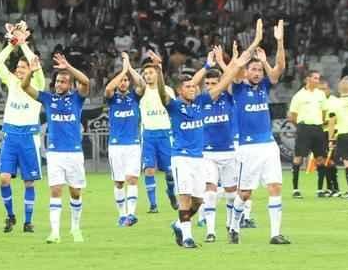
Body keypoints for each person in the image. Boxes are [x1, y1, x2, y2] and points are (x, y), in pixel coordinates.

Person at [155, 45, 249, 248]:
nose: (193, 88)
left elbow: (224, 83)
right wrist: (159, 72)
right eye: (188, 87)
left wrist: (235, 66)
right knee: (185, 197)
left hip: (199, 158)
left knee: (199, 201)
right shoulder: (174, 106)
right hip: (181, 158)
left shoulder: (201, 102)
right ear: (180, 91)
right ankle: (188, 238)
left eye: (194, 86)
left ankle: (179, 225)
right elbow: (162, 93)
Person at [229, 19, 290, 245]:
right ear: (246, 72)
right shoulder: (237, 86)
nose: (257, 73)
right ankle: (234, 226)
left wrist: (279, 42)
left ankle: (275, 234)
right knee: (244, 193)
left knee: (275, 186)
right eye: (253, 69)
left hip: (268, 145)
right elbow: (235, 70)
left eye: (259, 70)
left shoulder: (264, 85)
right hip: (248, 148)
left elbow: (279, 71)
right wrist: (253, 44)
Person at [23, 52, 90, 243]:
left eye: (63, 82)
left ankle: (75, 228)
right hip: (54, 153)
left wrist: (68, 67)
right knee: (55, 190)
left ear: (69, 85)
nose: (59, 84)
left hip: (74, 153)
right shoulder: (47, 99)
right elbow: (25, 86)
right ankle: (55, 232)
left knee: (75, 192)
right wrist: (32, 71)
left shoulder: (77, 99)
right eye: (58, 81)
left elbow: (85, 82)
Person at [0, 27, 44, 233]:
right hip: (10, 134)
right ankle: (10, 215)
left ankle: (28, 221)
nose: (21, 69)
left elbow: (36, 65)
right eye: (19, 67)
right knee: (4, 178)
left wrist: (23, 43)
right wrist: (11, 45)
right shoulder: (11, 81)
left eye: (25, 67)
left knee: (29, 182)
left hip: (29, 136)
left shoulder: (37, 83)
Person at [199, 46, 238, 242]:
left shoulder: (229, 97)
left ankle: (231, 226)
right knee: (210, 191)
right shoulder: (200, 100)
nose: (211, 86)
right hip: (208, 153)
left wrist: (222, 62)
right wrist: (207, 66)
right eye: (208, 83)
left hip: (229, 151)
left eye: (215, 82)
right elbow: (193, 82)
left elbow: (232, 76)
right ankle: (210, 232)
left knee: (231, 194)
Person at [103, 51, 144, 226]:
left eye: (126, 80)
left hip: (133, 144)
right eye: (121, 80)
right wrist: (122, 72)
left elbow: (141, 83)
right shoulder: (112, 100)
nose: (123, 82)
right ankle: (121, 214)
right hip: (116, 145)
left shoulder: (135, 97)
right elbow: (107, 89)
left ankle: (130, 214)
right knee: (119, 182)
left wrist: (129, 68)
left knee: (132, 179)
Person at [137, 53, 177, 213]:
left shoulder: (167, 90)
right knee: (149, 169)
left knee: (169, 171)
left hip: (165, 134)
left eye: (151, 72)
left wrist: (159, 67)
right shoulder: (141, 92)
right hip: (148, 135)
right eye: (145, 73)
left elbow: (172, 109)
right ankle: (153, 205)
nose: (148, 75)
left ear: (157, 74)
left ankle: (171, 194)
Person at [287, 70, 326, 199]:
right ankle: (295, 189)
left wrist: (319, 123)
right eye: (315, 78)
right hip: (304, 128)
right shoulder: (298, 96)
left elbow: (324, 112)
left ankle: (320, 189)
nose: (317, 80)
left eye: (318, 78)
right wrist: (302, 126)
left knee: (320, 159)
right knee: (298, 158)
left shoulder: (321, 94)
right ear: (307, 79)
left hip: (318, 128)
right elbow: (292, 116)